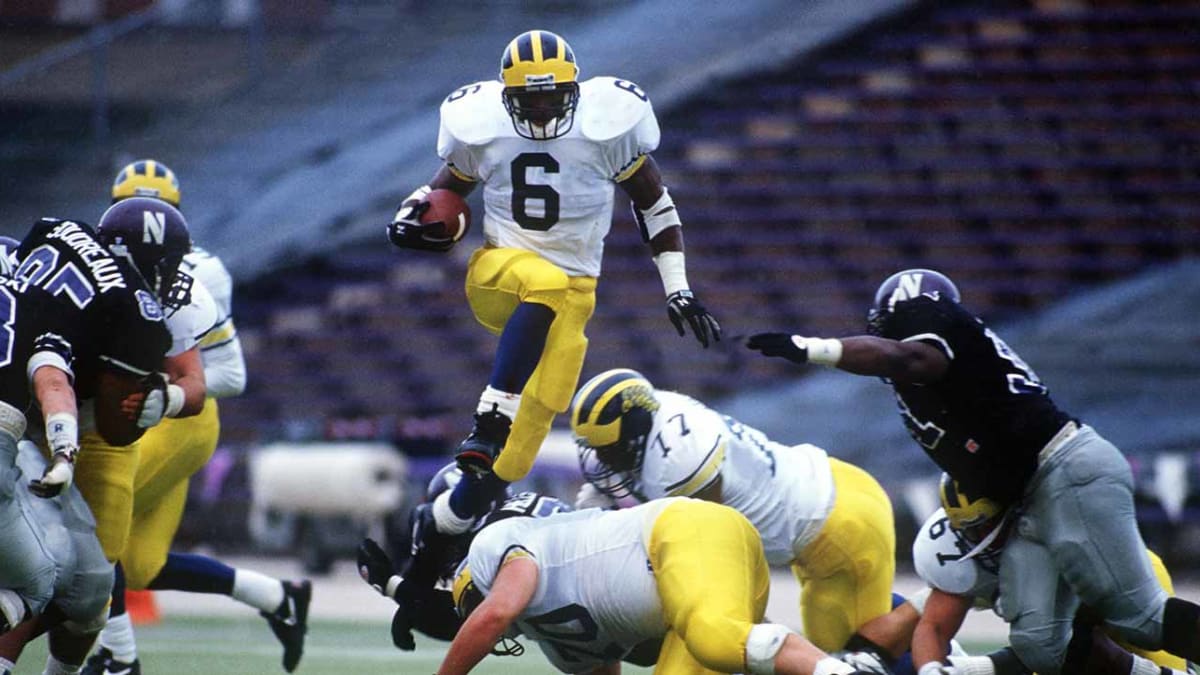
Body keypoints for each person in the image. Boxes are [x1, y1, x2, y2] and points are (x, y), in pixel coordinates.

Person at [746, 268, 1200, 674]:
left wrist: (815, 349)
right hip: (1030, 500)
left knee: (1139, 616)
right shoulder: (942, 386)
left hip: (1063, 469)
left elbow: (911, 358)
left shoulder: (932, 322)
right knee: (1040, 645)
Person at [386, 30, 721, 541]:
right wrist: (412, 214)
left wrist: (677, 287)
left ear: (574, 90)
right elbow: (444, 189)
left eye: (551, 96)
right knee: (543, 281)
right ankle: (490, 416)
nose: (541, 109)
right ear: (506, 97)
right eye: (529, 98)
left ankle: (438, 526)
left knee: (516, 457)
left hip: (575, 294)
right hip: (501, 273)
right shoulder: (484, 129)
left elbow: (654, 203)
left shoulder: (607, 129)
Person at [80, 160, 310, 675]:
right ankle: (276, 596)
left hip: (175, 421)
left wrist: (161, 394)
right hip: (139, 416)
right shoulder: (95, 263)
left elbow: (225, 374)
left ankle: (118, 658)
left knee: (90, 524)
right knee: (141, 565)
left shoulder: (197, 272)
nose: (146, 229)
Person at [569, 368, 903, 665]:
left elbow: (713, 547)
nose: (603, 459)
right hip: (825, 495)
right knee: (821, 657)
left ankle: (937, 632)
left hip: (838, 525)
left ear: (638, 431)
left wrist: (756, 634)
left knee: (854, 659)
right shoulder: (658, 415)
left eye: (609, 449)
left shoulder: (680, 458)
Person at [439, 496, 876, 675]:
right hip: (691, 588)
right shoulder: (560, 646)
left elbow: (499, 610)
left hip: (685, 531)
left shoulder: (495, 547)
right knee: (713, 640)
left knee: (715, 638)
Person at [908, 475, 1189, 675]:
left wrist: (972, 668)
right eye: (963, 527)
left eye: (981, 525)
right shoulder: (962, 539)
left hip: (1120, 591)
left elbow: (1077, 644)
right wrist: (932, 670)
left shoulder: (1064, 536)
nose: (970, 537)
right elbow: (933, 626)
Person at [0, 275, 112, 675]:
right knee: (38, 583)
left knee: (88, 581)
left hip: (16, 453)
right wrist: (65, 452)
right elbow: (52, 384)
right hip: (9, 444)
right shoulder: (32, 301)